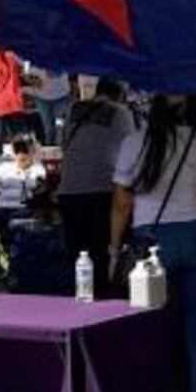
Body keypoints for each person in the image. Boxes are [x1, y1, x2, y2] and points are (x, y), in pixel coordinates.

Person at [111, 96, 196, 392]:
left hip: (148, 240)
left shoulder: (133, 144)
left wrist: (114, 250)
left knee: (153, 330)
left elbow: (120, 203)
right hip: (195, 235)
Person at [56, 80, 136, 277]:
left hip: (69, 190)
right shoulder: (121, 112)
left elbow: (64, 145)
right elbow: (133, 150)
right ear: (120, 96)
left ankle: (81, 297)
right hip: (102, 190)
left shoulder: (75, 109)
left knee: (78, 256)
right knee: (101, 254)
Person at [0, 135, 46, 238]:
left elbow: (41, 187)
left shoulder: (38, 170)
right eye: (18, 150)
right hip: (3, 211)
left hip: (24, 211)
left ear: (32, 151)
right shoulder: (3, 169)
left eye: (25, 150)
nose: (21, 154)